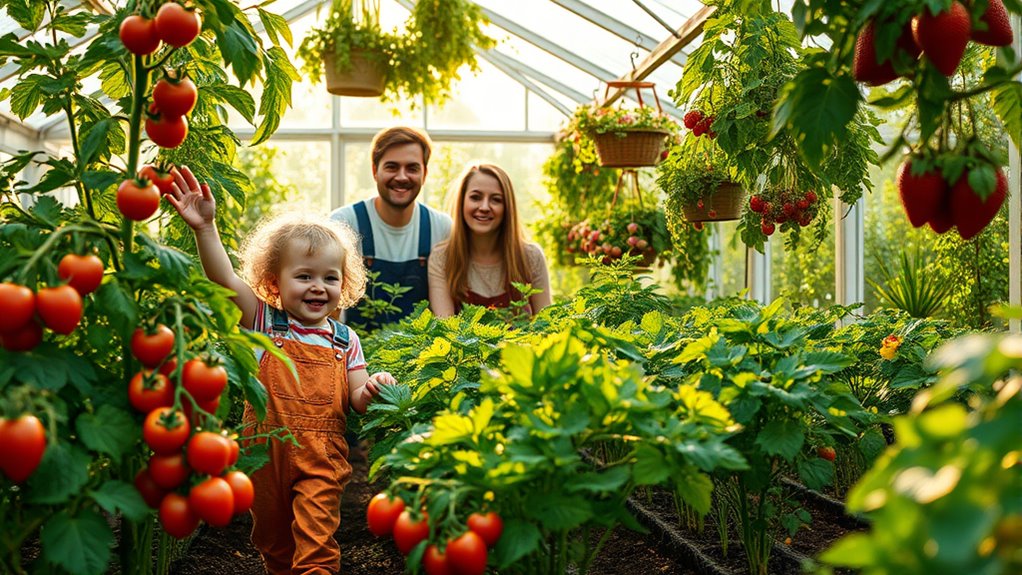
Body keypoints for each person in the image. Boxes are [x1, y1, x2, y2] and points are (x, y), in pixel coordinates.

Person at [165, 166, 395, 575]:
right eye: (303, 276)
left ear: (344, 284)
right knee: (272, 540)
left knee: (317, 539)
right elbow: (223, 279)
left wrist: (374, 387)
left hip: (322, 456)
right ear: (274, 283)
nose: (318, 287)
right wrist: (205, 228)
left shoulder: (345, 340)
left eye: (330, 277)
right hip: (265, 452)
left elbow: (357, 398)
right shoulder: (264, 323)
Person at [330, 126, 452, 330]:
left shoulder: (441, 226)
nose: (402, 177)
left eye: (412, 168)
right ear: (374, 171)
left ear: (425, 173)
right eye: (392, 167)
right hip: (357, 354)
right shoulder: (344, 222)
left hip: (419, 356)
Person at [428, 163, 551, 317]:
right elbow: (445, 328)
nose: (485, 207)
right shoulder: (442, 259)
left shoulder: (531, 257)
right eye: (475, 197)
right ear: (462, 202)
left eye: (496, 200)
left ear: (507, 207)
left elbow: (546, 325)